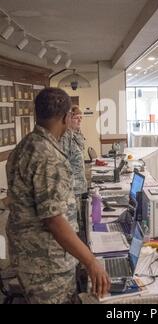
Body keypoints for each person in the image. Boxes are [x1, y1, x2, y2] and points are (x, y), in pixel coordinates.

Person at [6, 88, 110, 304]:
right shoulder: (48, 156)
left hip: (29, 256)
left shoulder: (25, 145)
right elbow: (53, 220)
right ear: (65, 117)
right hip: (46, 262)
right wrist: (90, 261)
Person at [60, 105, 87, 241]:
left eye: (81, 118)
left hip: (79, 185)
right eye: (76, 118)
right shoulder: (64, 138)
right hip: (71, 188)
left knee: (80, 221)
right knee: (74, 224)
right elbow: (63, 164)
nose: (79, 120)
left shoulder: (76, 134)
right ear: (68, 118)